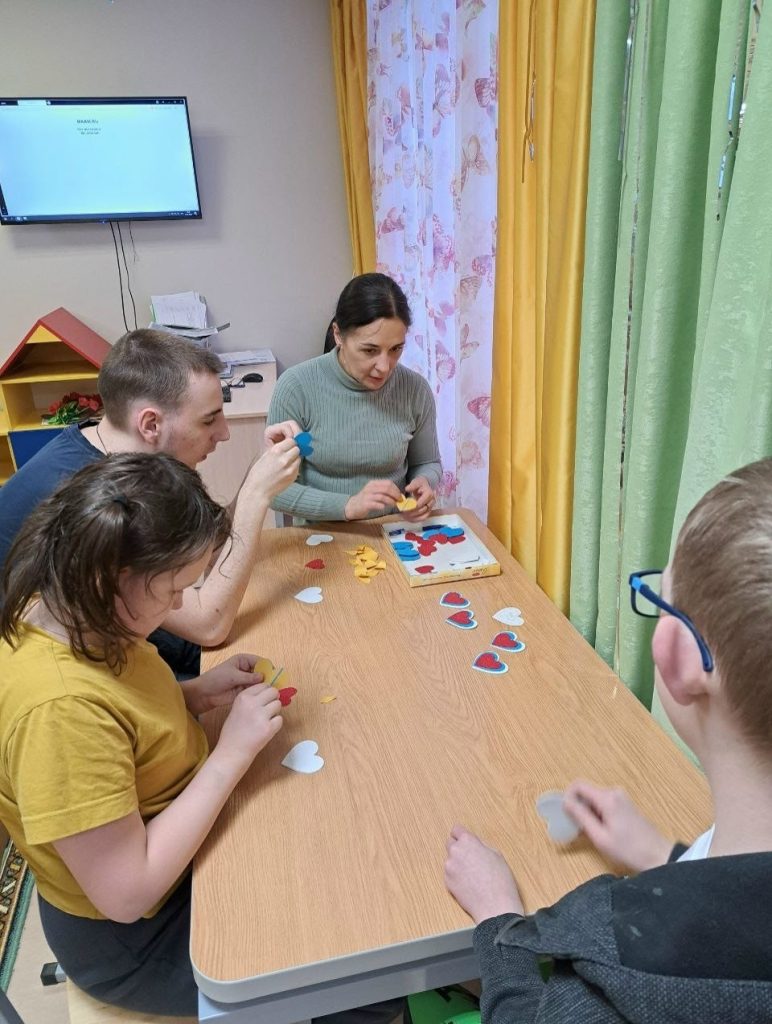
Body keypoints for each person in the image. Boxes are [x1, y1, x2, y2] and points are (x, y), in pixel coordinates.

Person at [0, 453, 403, 1023]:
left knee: (334, 848)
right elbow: (128, 892)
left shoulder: (71, 608)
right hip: (138, 938)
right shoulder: (59, 712)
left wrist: (194, 693)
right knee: (364, 978)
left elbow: (124, 716)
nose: (179, 606)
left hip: (165, 858)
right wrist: (231, 754)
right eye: (174, 589)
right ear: (108, 579)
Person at [444, 458, 772, 1022]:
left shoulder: (622, 970)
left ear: (674, 655)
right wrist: (664, 857)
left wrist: (498, 921)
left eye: (660, 600)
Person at [0, 328, 301, 677]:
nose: (223, 433)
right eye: (209, 419)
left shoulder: (125, 453)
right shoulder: (100, 501)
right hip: (57, 671)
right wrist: (256, 496)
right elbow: (209, 625)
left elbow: (211, 544)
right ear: (150, 424)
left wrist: (258, 471)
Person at [267, 273, 441, 523]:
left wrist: (424, 482)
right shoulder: (296, 387)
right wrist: (347, 506)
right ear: (338, 335)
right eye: (370, 350)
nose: (384, 367)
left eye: (396, 349)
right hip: (321, 535)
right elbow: (274, 490)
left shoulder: (414, 389)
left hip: (392, 531)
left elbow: (428, 462)